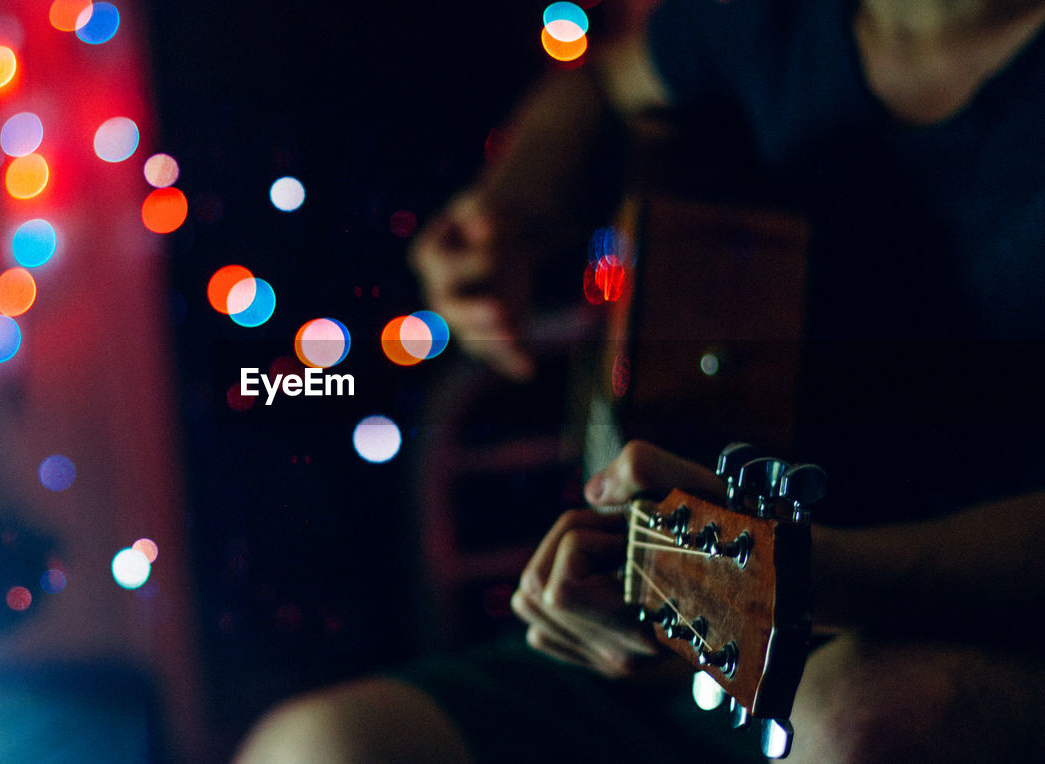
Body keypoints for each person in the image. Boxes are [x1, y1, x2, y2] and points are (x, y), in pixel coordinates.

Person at [235, 0, 1045, 760]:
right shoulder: (769, 20)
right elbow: (598, 82)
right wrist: (509, 212)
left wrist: (800, 586)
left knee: (859, 725)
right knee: (321, 745)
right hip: (737, 639)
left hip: (968, 643)